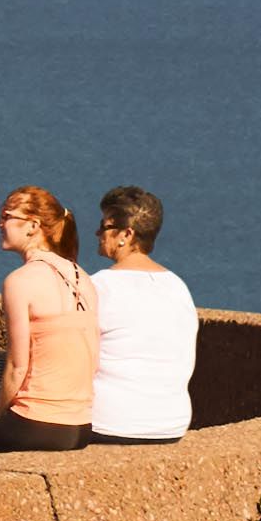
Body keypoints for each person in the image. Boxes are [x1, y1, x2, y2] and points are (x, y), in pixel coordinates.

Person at [0, 184, 96, 453]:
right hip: (81, 425)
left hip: (39, 421)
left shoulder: (20, 281)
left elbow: (17, 367)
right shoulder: (83, 278)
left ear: (32, 226)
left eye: (7, 216)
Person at [81, 186, 200, 447]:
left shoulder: (99, 286)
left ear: (126, 234)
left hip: (109, 424)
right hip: (171, 425)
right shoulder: (178, 287)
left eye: (105, 226)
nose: (98, 233)